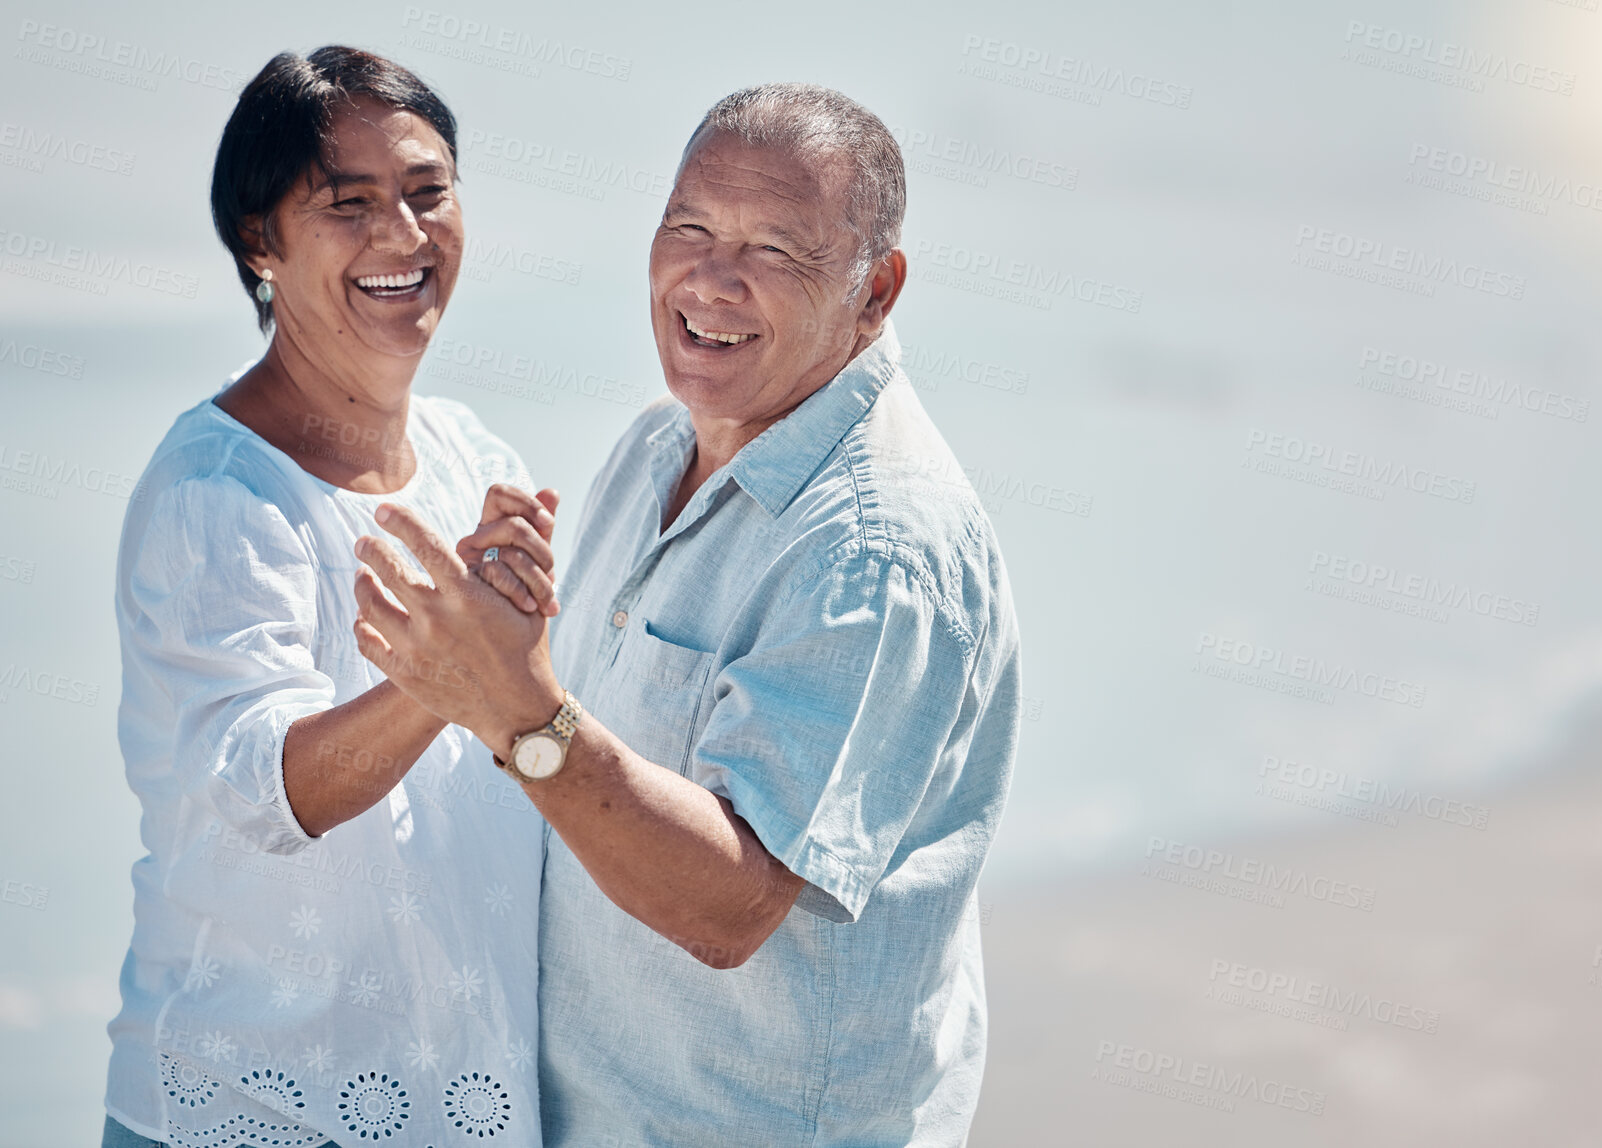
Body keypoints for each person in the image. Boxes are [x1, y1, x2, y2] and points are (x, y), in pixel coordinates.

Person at [351, 83, 1022, 1146]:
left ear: (875, 290)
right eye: (689, 229)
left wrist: (518, 709)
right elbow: (587, 742)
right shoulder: (662, 442)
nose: (711, 279)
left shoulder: (877, 548)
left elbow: (728, 908)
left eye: (776, 251)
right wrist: (500, 630)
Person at [103, 47, 558, 1148]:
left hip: (468, 1107)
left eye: (427, 192)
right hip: (246, 1110)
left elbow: (523, 739)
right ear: (262, 241)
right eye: (347, 205)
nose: (403, 235)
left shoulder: (474, 454)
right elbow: (267, 792)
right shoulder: (217, 492)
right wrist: (455, 672)